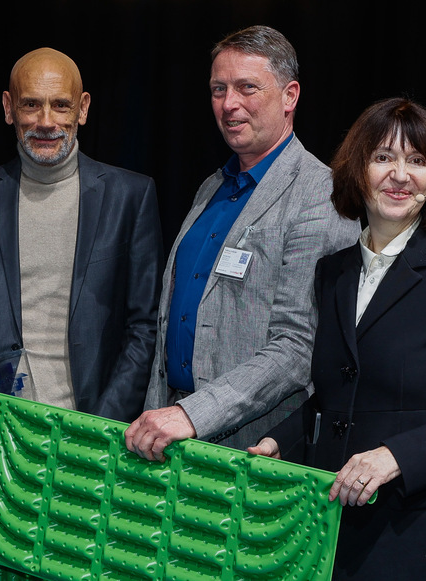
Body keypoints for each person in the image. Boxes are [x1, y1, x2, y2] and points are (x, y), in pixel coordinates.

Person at [248, 97, 426, 579]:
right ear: (358, 170)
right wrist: (279, 440)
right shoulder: (332, 273)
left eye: (418, 161)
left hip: (425, 538)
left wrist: (398, 456)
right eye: (383, 158)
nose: (400, 174)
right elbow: (333, 398)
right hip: (336, 534)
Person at [125, 25, 360, 460]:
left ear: (290, 96)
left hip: (253, 450)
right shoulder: (212, 187)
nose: (228, 104)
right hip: (168, 435)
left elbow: (297, 348)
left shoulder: (322, 195)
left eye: (246, 88)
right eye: (218, 89)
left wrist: (194, 414)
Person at [0, 47, 163, 436]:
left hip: (95, 431)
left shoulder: (131, 196)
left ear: (83, 109)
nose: (46, 121)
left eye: (61, 105)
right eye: (31, 105)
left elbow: (144, 326)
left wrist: (102, 423)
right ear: (8, 108)